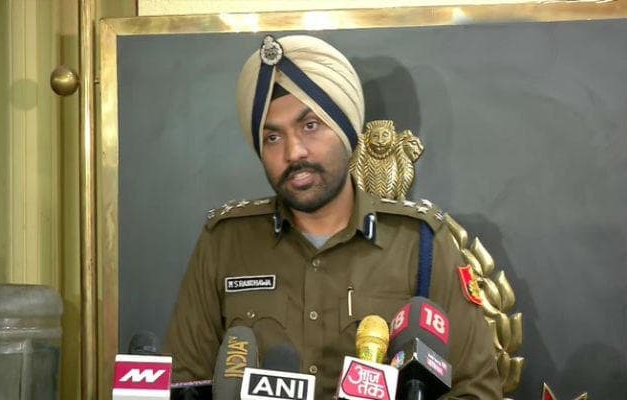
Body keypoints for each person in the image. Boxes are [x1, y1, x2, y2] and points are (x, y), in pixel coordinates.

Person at [165, 34, 502, 398]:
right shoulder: (224, 243)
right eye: (273, 137)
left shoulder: (420, 243)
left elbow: (477, 388)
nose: (294, 152)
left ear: (346, 133)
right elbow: (185, 384)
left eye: (310, 126)